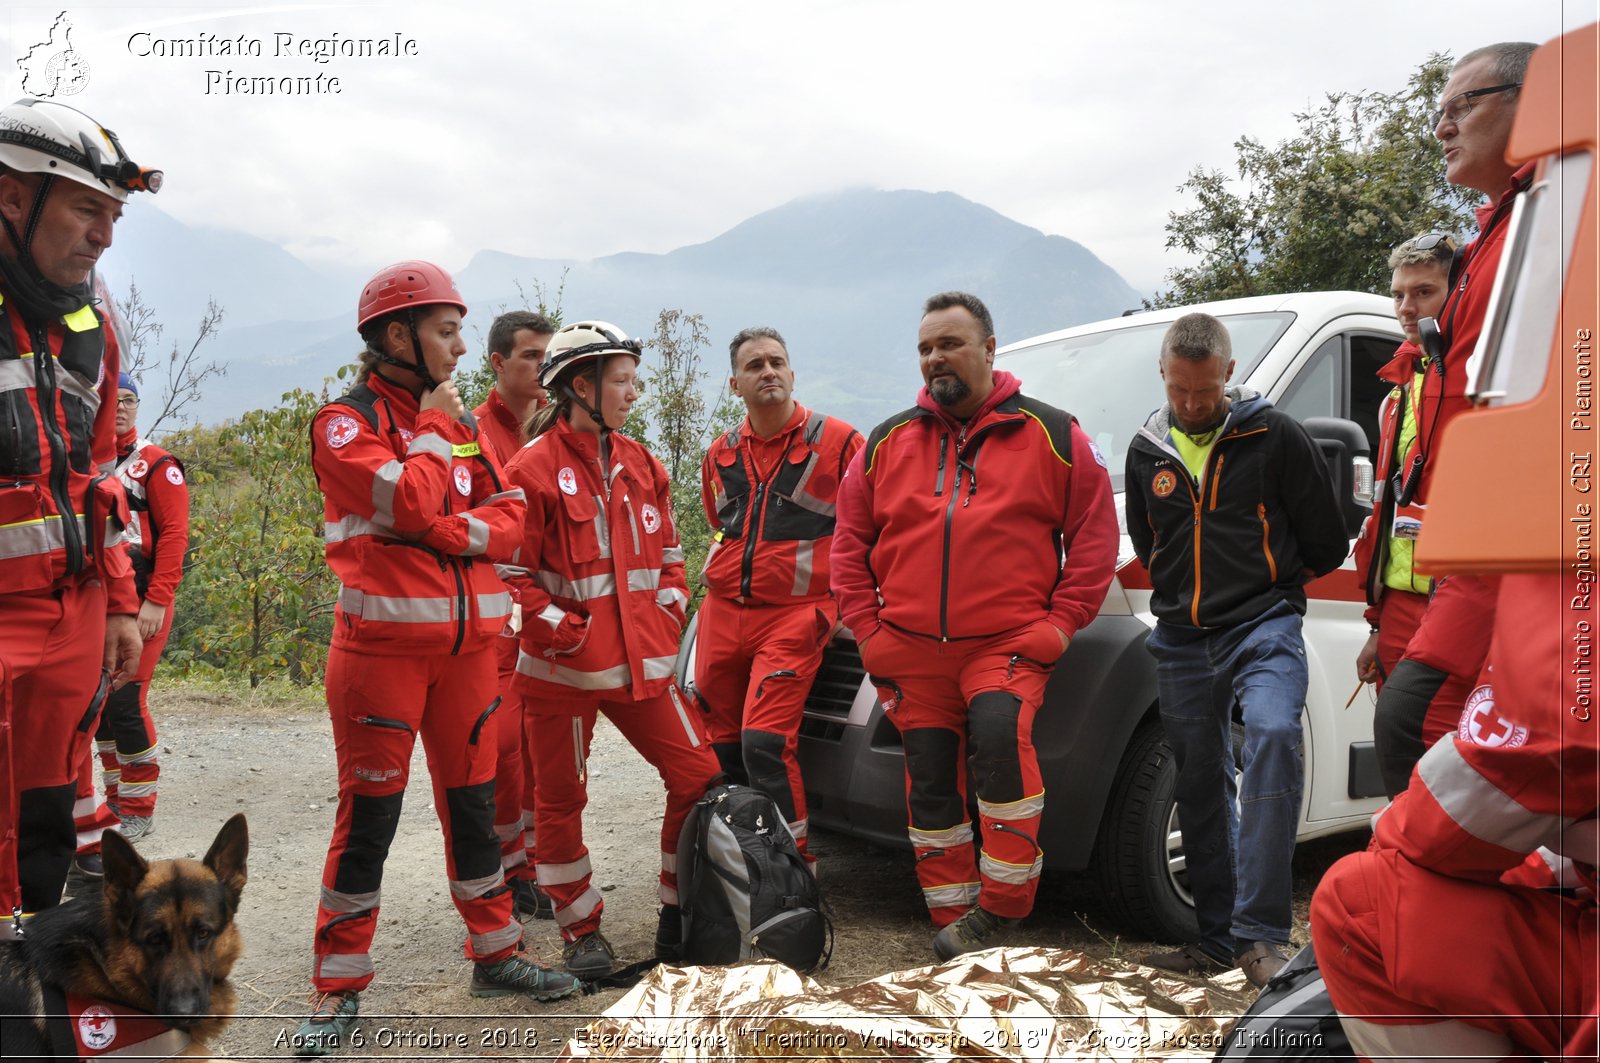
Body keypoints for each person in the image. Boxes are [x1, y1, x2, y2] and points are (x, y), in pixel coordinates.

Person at [296, 262, 576, 1058]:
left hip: (471, 659)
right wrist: (428, 461)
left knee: (476, 808)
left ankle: (496, 955)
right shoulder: (342, 424)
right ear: (397, 336)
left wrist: (438, 530)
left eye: (461, 331)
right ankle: (338, 986)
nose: (459, 347)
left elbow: (513, 518)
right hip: (379, 656)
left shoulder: (458, 426)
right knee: (370, 820)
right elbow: (414, 499)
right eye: (447, 331)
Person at [831, 291, 1118, 961]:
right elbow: (848, 544)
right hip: (909, 650)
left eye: (950, 343)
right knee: (929, 775)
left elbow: (1096, 538)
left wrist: (1059, 625)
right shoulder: (886, 441)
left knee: (997, 737)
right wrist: (869, 631)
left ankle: (1003, 905)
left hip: (1005, 644)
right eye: (926, 347)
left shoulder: (1053, 433)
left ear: (990, 350)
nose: (936, 358)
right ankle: (952, 917)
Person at [1125, 312, 1347, 989]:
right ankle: (1218, 939)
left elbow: (1327, 540)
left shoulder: (1274, 435)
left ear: (1228, 373)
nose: (1193, 405)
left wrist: (1269, 586)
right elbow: (1148, 539)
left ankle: (1261, 937)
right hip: (1183, 638)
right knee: (1197, 777)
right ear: (1165, 375)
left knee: (1276, 733)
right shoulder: (1146, 450)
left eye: (1205, 390)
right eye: (1180, 391)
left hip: (1265, 623)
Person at [502, 320, 721, 978]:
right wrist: (555, 627)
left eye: (631, 378)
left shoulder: (643, 463)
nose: (633, 392)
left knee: (700, 776)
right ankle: (580, 928)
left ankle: (680, 910)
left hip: (643, 670)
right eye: (622, 380)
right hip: (561, 675)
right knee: (559, 803)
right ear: (580, 385)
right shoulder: (529, 470)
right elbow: (505, 574)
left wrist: (670, 607)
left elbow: (674, 558)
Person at [1369, 41, 1537, 798]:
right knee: (1413, 749)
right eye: (1437, 109)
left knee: (1437, 752)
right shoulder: (1502, 231)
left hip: (1497, 574)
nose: (1442, 125)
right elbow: (1387, 506)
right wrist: (1378, 616)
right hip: (1424, 590)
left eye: (1462, 105)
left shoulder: (1550, 221)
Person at [0, 98, 152, 936]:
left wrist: (121, 600)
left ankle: (22, 992)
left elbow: (99, 475)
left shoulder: (94, 323)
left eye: (115, 216)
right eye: (87, 208)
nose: (104, 235)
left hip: (75, 610)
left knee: (49, 818)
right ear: (13, 200)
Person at [693, 326, 861, 859]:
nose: (768, 371)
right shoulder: (719, 453)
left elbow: (874, 529)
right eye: (754, 365)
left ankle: (793, 871)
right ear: (735, 383)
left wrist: (848, 605)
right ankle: (741, 861)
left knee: (764, 742)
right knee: (719, 747)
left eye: (776, 362)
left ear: (792, 373)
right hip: (722, 612)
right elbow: (721, 524)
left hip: (796, 614)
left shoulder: (840, 442)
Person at [65, 369, 191, 893]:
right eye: (111, 399)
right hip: (100, 601)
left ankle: (139, 808)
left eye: (129, 400)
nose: (119, 407)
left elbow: (175, 535)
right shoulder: (87, 463)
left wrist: (158, 600)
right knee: (101, 704)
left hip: (143, 601)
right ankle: (115, 802)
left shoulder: (154, 464)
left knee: (126, 702)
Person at [1351, 233, 1467, 797]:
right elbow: (1388, 507)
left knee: (1449, 761)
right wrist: (1375, 624)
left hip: (1462, 601)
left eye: (1423, 292)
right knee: (1399, 755)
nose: (1406, 308)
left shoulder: (1477, 382)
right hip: (1399, 605)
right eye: (1398, 294)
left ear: (1458, 291)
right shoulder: (1395, 395)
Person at [472, 310, 556, 921]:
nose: (542, 368)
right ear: (498, 364)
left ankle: (534, 863)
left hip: (546, 617)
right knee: (501, 750)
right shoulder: (470, 432)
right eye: (530, 356)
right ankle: (505, 867)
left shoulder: (556, 429)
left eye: (547, 357)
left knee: (540, 750)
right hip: (495, 620)